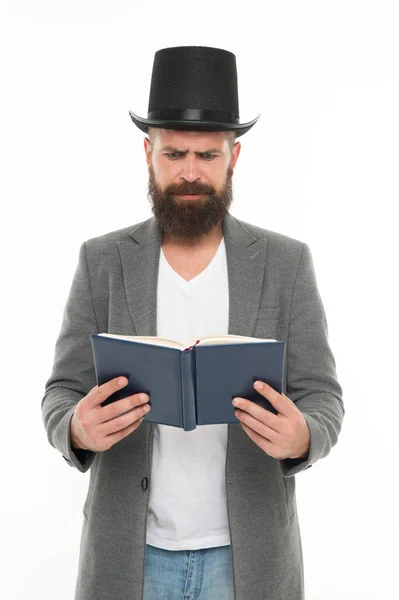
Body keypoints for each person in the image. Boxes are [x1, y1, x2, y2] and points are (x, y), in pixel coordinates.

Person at [41, 46, 344, 600]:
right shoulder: (102, 260)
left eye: (206, 155)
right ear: (147, 153)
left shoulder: (286, 263)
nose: (189, 172)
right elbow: (62, 391)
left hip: (248, 559)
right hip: (130, 557)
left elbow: (322, 396)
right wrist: (76, 429)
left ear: (234, 156)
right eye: (173, 153)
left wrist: (304, 437)